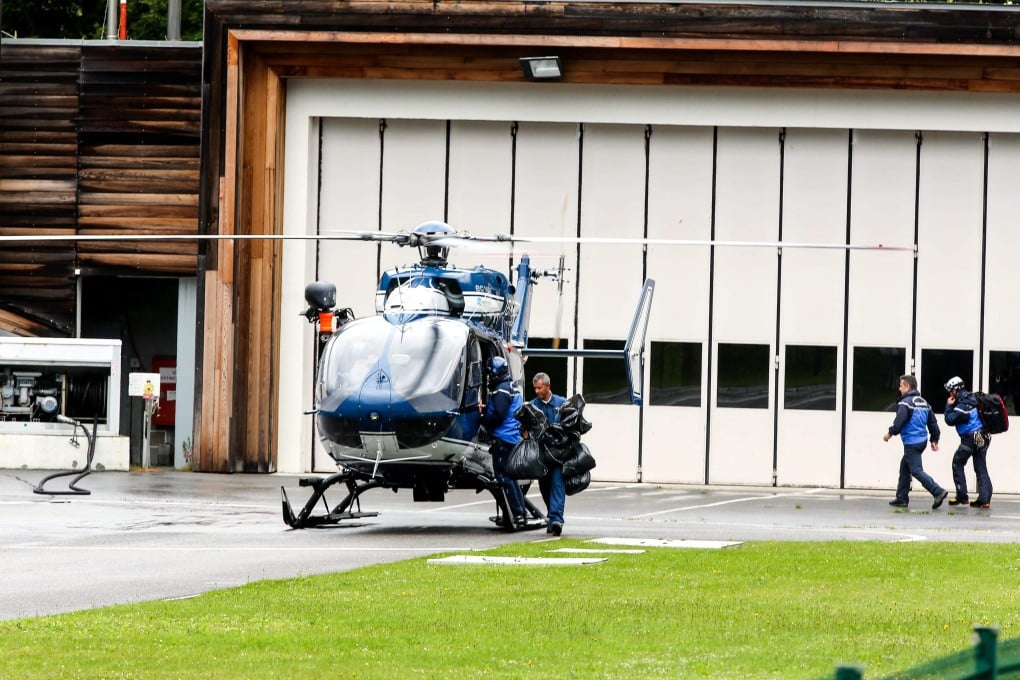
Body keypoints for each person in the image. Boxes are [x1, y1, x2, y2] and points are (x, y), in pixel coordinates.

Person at [882, 374, 948, 509]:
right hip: (921, 441)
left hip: (912, 442)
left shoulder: (905, 403)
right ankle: (901, 498)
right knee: (905, 467)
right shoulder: (925, 403)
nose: (899, 389)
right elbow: (933, 424)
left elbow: (899, 422)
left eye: (901, 386)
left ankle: (938, 491)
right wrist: (934, 439)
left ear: (907, 387)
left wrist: (890, 433)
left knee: (916, 470)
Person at [479, 356, 527, 526]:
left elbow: (498, 414)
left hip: (502, 438)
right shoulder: (512, 387)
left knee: (504, 478)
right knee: (511, 477)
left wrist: (482, 418)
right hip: (512, 437)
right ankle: (520, 512)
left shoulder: (501, 391)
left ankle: (518, 513)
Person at [942, 376, 992, 509]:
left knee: (957, 463)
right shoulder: (973, 398)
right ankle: (984, 499)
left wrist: (948, 406)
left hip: (971, 438)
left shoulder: (963, 404)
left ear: (956, 389)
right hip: (984, 435)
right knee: (980, 467)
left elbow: (950, 420)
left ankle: (962, 496)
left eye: (951, 390)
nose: (950, 393)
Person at [531, 372, 568, 536]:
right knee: (545, 488)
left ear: (548, 386)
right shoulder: (532, 406)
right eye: (535, 388)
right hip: (541, 455)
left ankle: (556, 520)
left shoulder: (562, 403)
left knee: (557, 485)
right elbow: (525, 428)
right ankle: (552, 516)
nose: (537, 391)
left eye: (540, 388)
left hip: (558, 454)